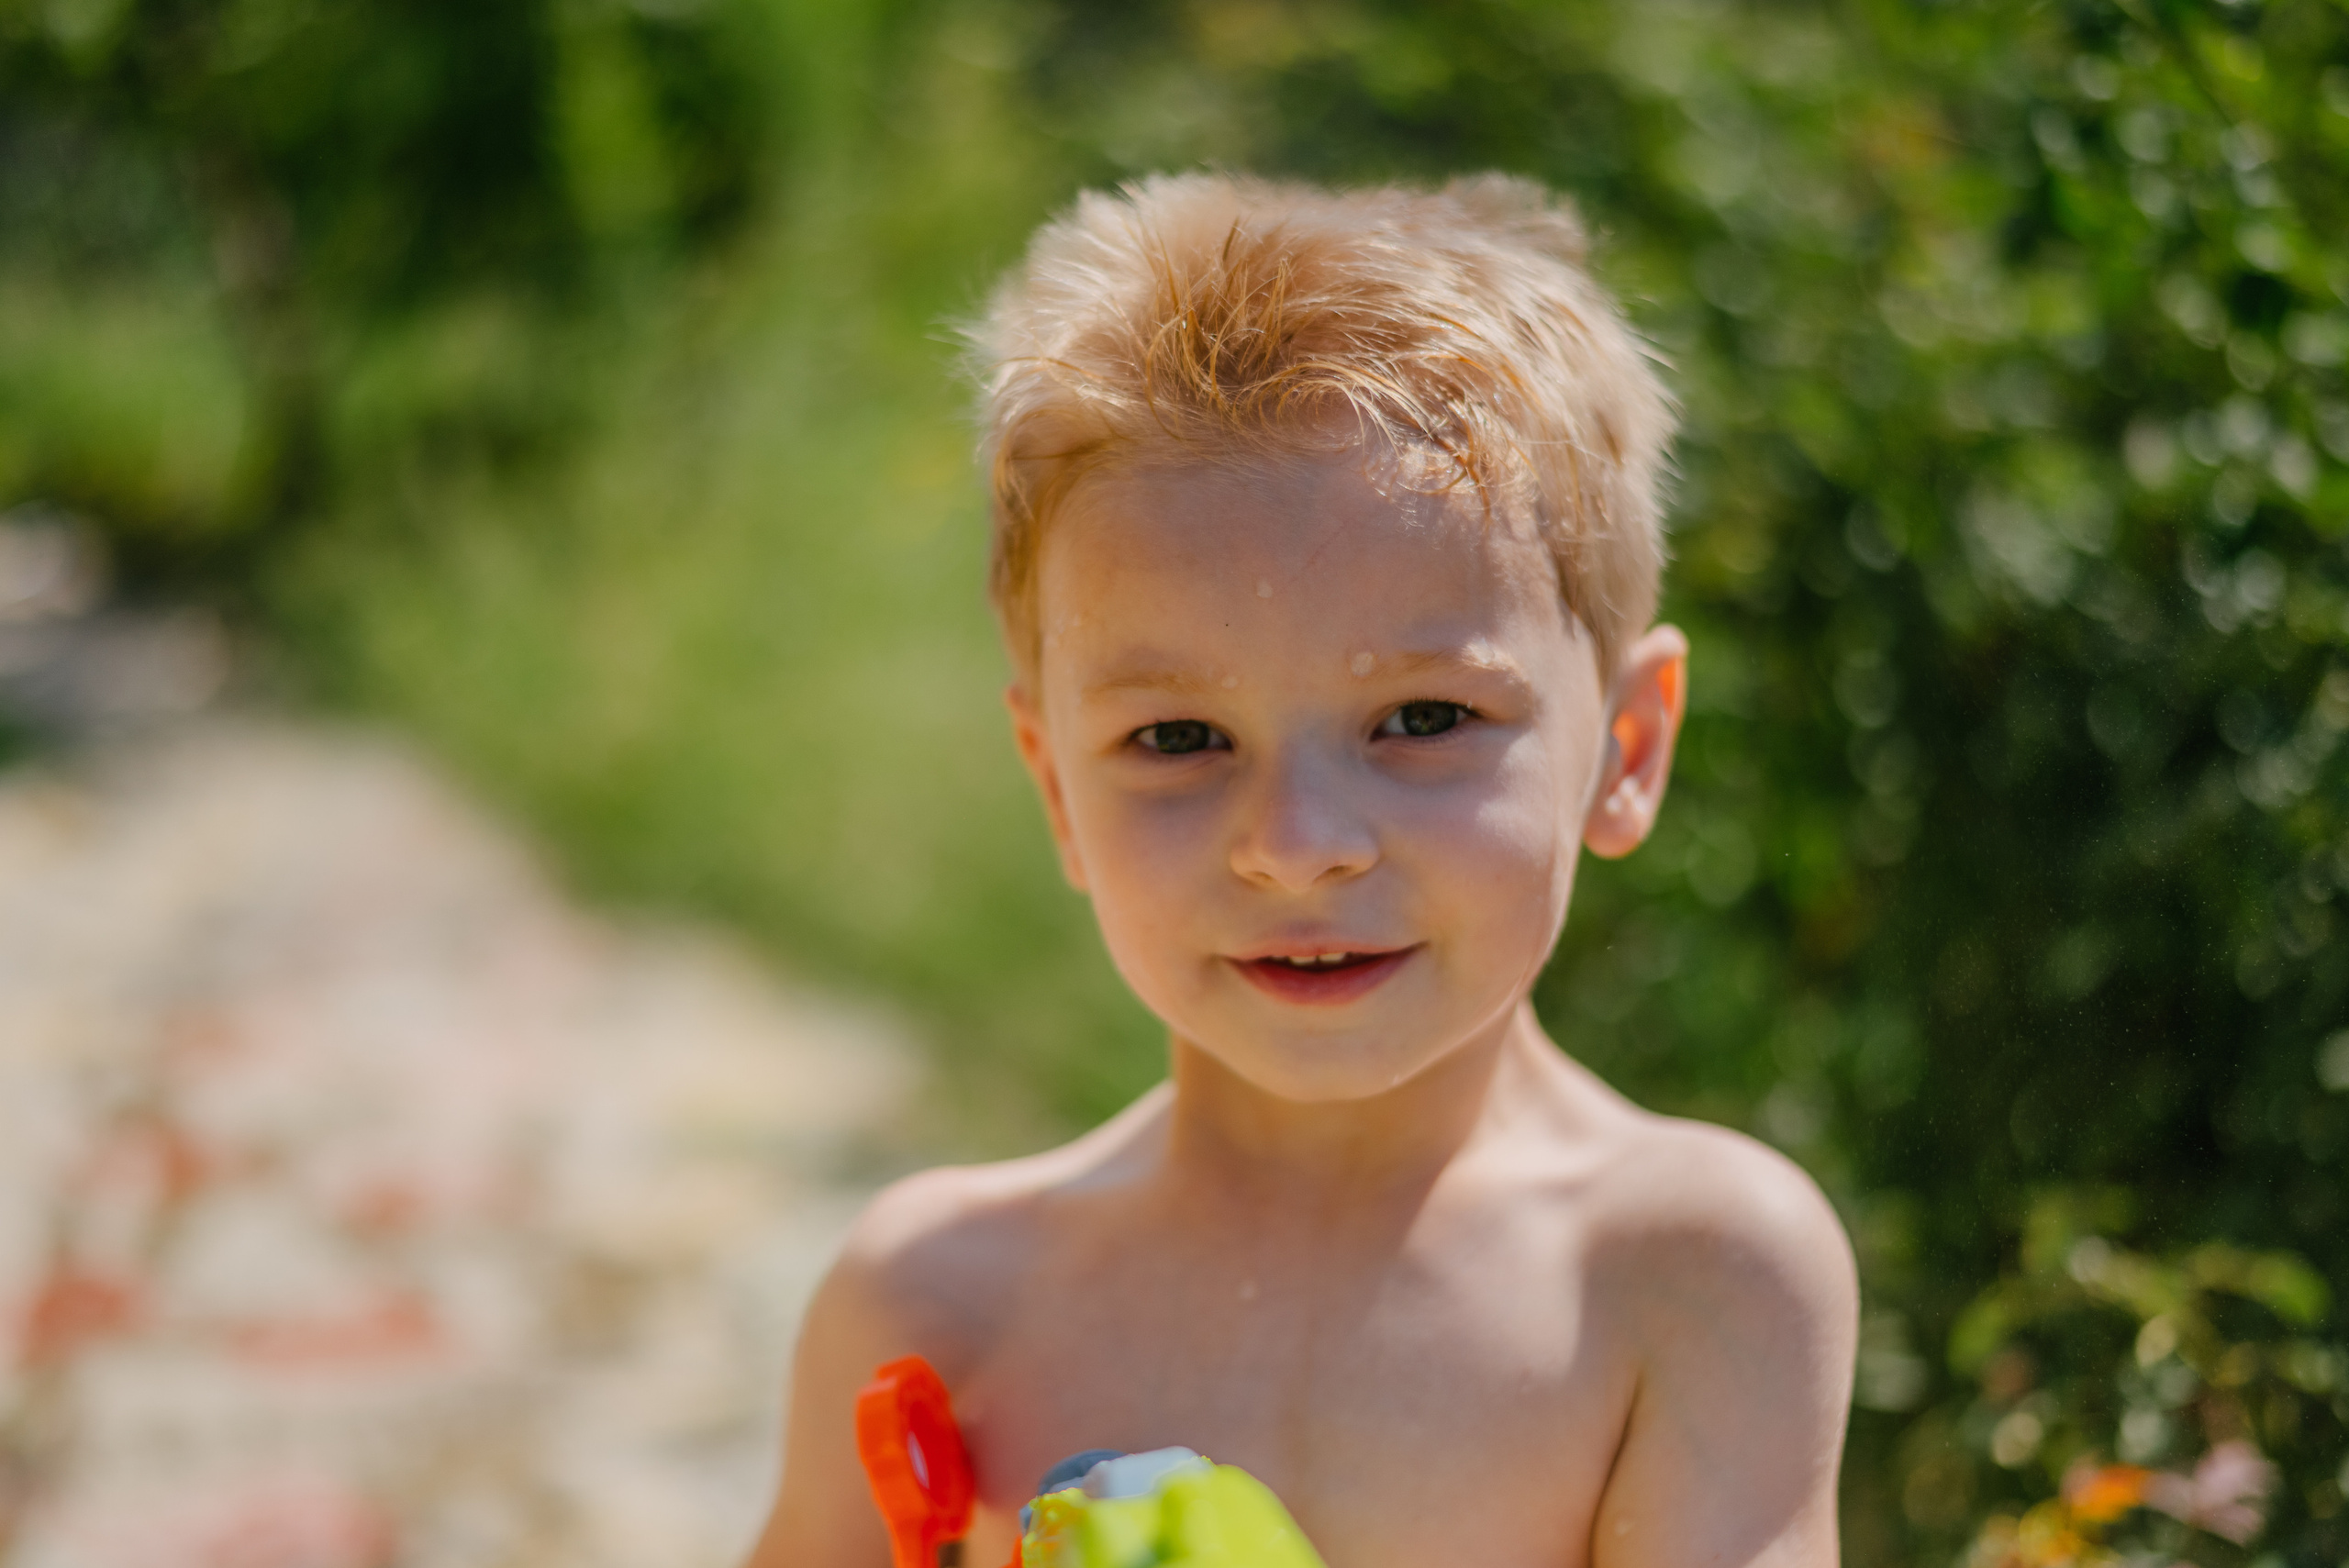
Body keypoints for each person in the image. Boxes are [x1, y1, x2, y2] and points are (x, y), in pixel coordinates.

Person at [745, 172, 1858, 1568]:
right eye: (1179, 736)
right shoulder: (938, 1302)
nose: (1295, 841)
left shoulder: (1685, 1279)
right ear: (1057, 790)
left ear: (1626, 744)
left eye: (1424, 718)